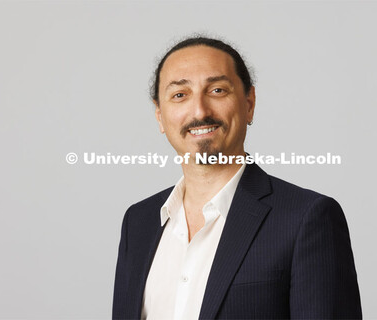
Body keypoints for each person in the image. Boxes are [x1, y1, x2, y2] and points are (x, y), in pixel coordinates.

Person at [112, 36, 362, 320]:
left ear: (249, 103)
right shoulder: (139, 222)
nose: (200, 111)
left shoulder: (306, 218)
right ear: (160, 115)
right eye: (180, 95)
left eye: (217, 90)